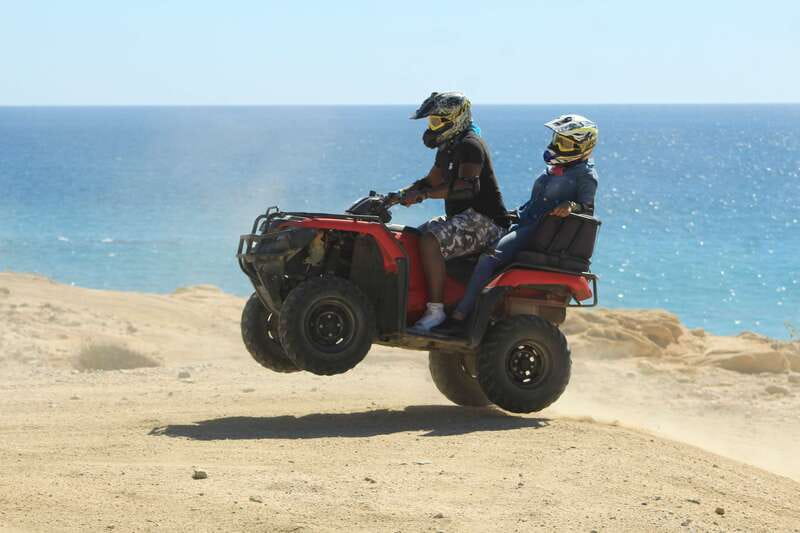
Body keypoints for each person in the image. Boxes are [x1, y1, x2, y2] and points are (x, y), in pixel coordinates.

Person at [437, 114, 599, 333]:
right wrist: (506, 214)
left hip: (538, 231)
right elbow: (533, 203)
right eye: (556, 140)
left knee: (488, 258)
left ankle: (460, 316)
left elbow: (587, 207)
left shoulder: (585, 175)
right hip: (522, 222)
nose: (557, 146)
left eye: (565, 143)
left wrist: (571, 205)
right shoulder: (553, 170)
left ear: (583, 146)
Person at [399, 92, 509, 331]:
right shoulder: (448, 145)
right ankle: (413, 302)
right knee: (411, 238)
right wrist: (397, 195)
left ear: (455, 118)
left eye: (436, 121)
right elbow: (431, 180)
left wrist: (424, 195)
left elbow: (466, 187)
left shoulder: (470, 145)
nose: (432, 127)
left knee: (430, 241)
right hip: (462, 218)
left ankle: (436, 311)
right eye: (431, 122)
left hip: (487, 222)